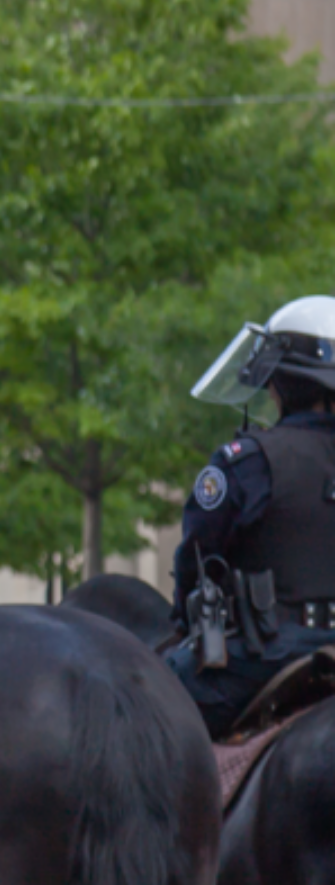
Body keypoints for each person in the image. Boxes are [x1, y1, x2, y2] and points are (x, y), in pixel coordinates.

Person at [168, 294, 335, 739]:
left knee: (149, 705)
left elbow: (195, 559)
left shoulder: (249, 462)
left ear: (277, 384)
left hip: (268, 655)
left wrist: (186, 621)